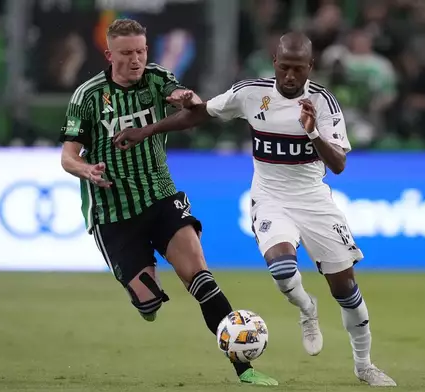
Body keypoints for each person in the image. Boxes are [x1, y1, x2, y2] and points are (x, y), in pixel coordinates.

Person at [113, 31, 397, 387]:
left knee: (345, 290)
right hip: (270, 198)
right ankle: (307, 309)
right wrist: (148, 131)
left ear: (310, 67)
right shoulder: (250, 93)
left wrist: (312, 134)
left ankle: (364, 365)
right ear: (274, 63)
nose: (291, 76)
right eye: (285, 68)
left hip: (313, 202)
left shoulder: (323, 103)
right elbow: (199, 115)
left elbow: (338, 164)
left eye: (299, 69)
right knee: (281, 270)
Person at [58, 18, 277, 386]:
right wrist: (86, 170)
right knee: (149, 304)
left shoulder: (157, 78)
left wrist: (188, 99)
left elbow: (188, 102)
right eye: (126, 53)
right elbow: (68, 156)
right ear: (109, 54)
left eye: (141, 51)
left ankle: (245, 369)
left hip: (161, 195)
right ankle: (145, 300)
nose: (136, 60)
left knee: (201, 278)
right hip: (113, 210)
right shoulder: (89, 96)